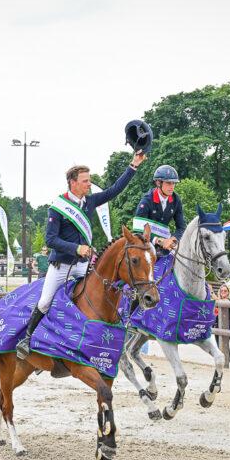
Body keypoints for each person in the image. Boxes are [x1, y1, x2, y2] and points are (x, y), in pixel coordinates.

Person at [16, 150, 147, 358]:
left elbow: (114, 190)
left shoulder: (90, 202)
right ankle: (27, 339)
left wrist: (134, 165)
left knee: (105, 290)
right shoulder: (57, 208)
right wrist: (76, 248)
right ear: (73, 183)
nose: (89, 184)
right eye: (85, 181)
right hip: (61, 266)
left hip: (83, 266)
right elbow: (50, 240)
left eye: (89, 180)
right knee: (45, 302)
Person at [134, 164, 186, 256]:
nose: (172, 187)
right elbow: (138, 230)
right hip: (146, 245)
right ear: (158, 183)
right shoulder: (146, 201)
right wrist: (158, 240)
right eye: (168, 183)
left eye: (174, 183)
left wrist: (173, 239)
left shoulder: (176, 199)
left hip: (166, 246)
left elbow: (181, 227)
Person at [215, 283, 230, 369]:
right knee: (218, 345)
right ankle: (220, 363)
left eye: (225, 291)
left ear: (228, 293)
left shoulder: (228, 301)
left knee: (225, 345)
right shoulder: (219, 301)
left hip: (225, 326)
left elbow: (220, 302)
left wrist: (212, 293)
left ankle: (226, 363)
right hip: (217, 325)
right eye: (222, 291)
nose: (223, 292)